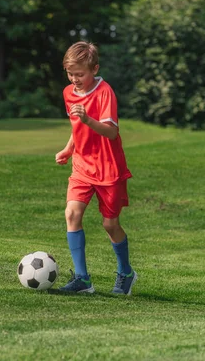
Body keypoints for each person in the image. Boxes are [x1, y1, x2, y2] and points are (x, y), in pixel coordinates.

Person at [55, 41, 137, 295]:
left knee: (110, 224)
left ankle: (125, 272)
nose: (75, 79)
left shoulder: (105, 93)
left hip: (108, 167)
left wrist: (87, 119)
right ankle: (82, 279)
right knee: (72, 214)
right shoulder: (68, 92)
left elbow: (111, 132)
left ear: (95, 69)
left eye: (80, 74)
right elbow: (76, 127)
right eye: (70, 74)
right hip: (82, 165)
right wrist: (69, 149)